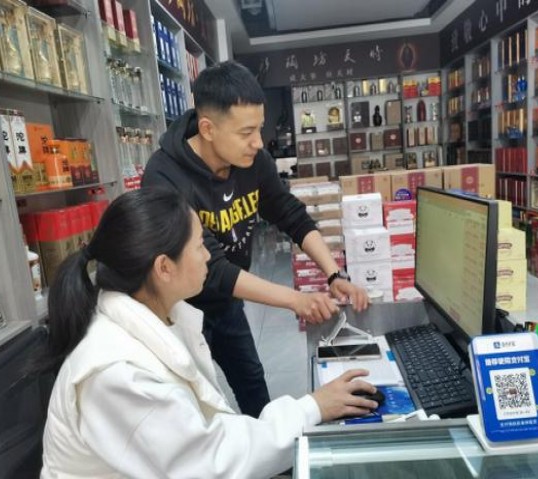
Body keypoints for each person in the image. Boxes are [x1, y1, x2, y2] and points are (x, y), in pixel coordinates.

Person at [40, 188, 379, 479]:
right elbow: (211, 462)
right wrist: (312, 408)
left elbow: (204, 437)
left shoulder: (160, 316)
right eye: (200, 245)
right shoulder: (117, 374)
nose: (209, 257)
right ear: (164, 268)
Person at [142, 60, 369, 418]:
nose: (258, 142)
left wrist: (333, 274)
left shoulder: (254, 161)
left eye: (259, 129)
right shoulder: (164, 177)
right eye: (246, 132)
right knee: (195, 405)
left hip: (226, 302)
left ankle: (268, 448)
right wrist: (295, 300)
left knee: (252, 385)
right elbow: (213, 269)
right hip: (177, 309)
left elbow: (290, 214)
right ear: (208, 128)